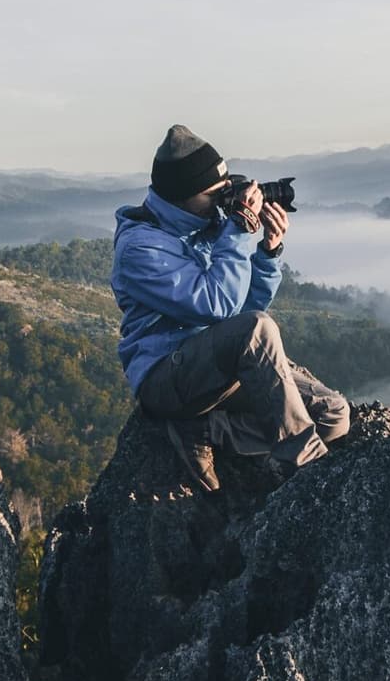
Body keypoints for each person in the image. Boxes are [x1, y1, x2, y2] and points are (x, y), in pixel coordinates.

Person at [111, 124, 351, 493]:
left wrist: (268, 253)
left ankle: (209, 430)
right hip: (166, 377)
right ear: (182, 195)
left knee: (333, 415)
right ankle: (306, 471)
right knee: (258, 328)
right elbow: (218, 307)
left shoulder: (207, 225)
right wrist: (237, 229)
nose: (224, 201)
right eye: (215, 194)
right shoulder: (140, 249)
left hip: (216, 369)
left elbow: (243, 311)